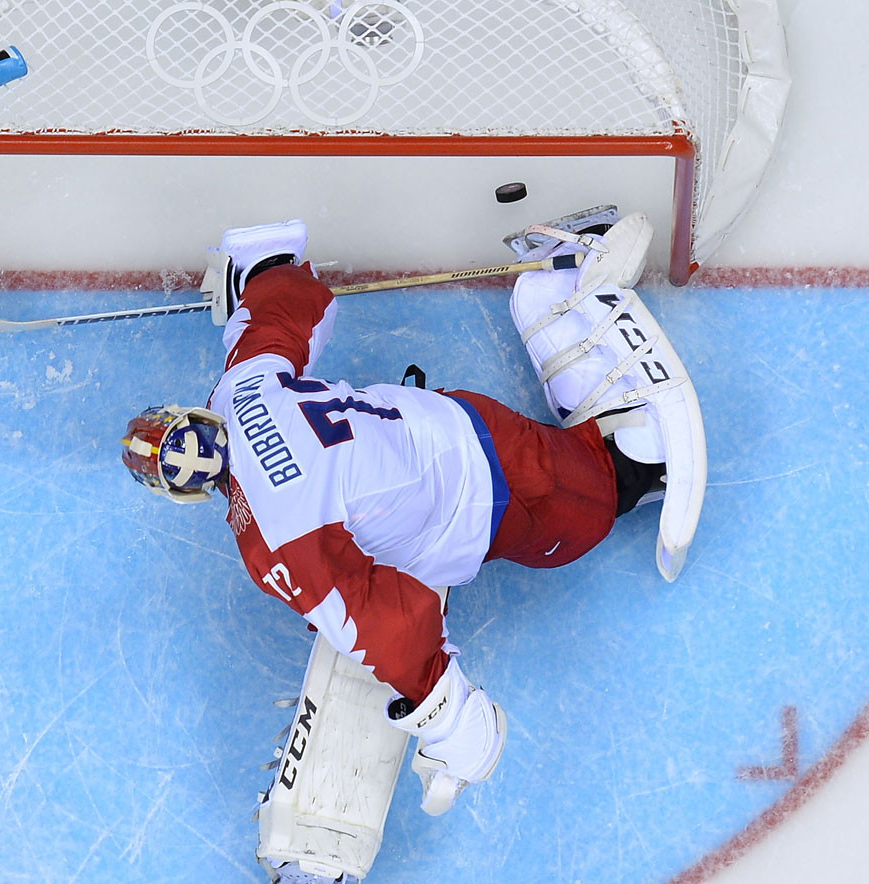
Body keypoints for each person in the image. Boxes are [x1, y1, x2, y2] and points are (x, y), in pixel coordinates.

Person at [121, 210, 705, 817]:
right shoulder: (240, 389)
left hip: (491, 497)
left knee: (593, 511)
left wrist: (450, 722)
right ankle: (583, 406)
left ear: (180, 494)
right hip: (452, 419)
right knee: (523, 473)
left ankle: (635, 455)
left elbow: (384, 622)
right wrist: (263, 269)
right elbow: (293, 308)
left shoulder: (271, 541)